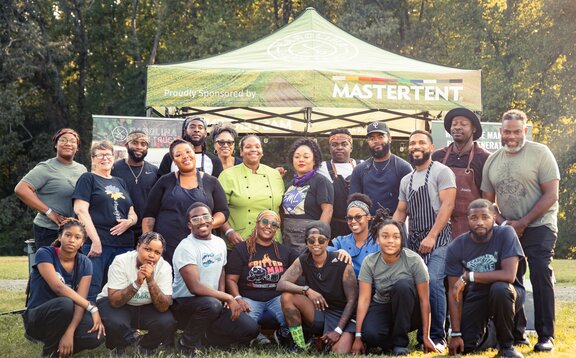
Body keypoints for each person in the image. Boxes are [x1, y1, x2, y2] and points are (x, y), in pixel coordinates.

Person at [481, 109, 560, 352]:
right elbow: (487, 203)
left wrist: (523, 223)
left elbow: (551, 194)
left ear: (524, 130)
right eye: (507, 132)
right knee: (511, 279)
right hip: (508, 229)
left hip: (539, 225)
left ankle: (546, 335)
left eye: (517, 131)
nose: (512, 136)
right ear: (500, 132)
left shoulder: (540, 153)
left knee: (539, 274)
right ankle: (518, 334)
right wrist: (506, 224)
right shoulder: (492, 160)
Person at [393, 130, 456, 349]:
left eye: (421, 142)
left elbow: (447, 206)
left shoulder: (442, 172)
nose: (416, 146)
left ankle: (438, 336)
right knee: (415, 285)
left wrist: (432, 236)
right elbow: (401, 212)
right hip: (414, 240)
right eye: (412, 143)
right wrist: (389, 233)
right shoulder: (406, 180)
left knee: (435, 281)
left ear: (431, 147)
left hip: (438, 239)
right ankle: (422, 334)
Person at [171, 203, 259, 353]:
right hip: (185, 304)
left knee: (251, 328)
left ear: (212, 220)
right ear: (189, 225)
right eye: (195, 218)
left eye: (205, 216)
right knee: (211, 305)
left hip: (212, 302)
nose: (202, 221)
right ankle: (186, 344)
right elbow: (195, 287)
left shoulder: (219, 242)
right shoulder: (186, 247)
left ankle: (206, 338)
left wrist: (222, 297)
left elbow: (221, 270)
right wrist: (228, 297)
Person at [353, 211, 440, 356]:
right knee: (371, 335)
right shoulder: (369, 262)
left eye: (396, 237)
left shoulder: (414, 260)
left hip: (409, 309)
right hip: (383, 305)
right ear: (377, 239)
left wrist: (426, 336)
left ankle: (400, 344)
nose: (390, 241)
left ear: (401, 240)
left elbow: (425, 300)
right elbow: (364, 299)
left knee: (403, 286)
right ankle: (391, 341)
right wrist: (358, 336)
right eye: (385, 236)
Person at [446, 199, 525, 358]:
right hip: (478, 295)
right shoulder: (456, 246)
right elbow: (454, 292)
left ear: (494, 218)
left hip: (509, 293)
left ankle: (506, 347)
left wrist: (470, 276)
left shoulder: (506, 234)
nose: (479, 222)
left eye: (485, 217)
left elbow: (508, 275)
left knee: (499, 289)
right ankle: (492, 333)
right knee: (465, 347)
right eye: (474, 218)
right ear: (467, 219)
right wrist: (455, 334)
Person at [23, 218, 105, 357]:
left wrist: (69, 332)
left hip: (65, 317)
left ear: (82, 243)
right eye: (68, 235)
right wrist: (92, 307)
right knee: (65, 303)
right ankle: (49, 351)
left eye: (77, 237)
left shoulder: (85, 263)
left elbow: (80, 302)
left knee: (95, 336)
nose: (72, 240)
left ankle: (60, 349)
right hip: (38, 318)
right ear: (60, 237)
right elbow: (58, 288)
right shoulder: (45, 253)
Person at [142, 138, 229, 264]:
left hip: (201, 247)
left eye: (188, 152)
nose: (185, 156)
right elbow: (149, 215)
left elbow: (223, 211)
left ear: (194, 153)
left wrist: (206, 224)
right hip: (168, 247)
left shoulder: (211, 182)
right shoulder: (164, 182)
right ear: (174, 161)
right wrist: (148, 243)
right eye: (178, 155)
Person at [277, 221, 357, 353]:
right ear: (306, 242)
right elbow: (281, 284)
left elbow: (352, 299)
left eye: (321, 240)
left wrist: (338, 330)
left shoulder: (341, 261)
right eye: (311, 240)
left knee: (339, 353)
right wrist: (307, 290)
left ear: (327, 241)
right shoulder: (303, 260)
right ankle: (299, 344)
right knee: (287, 297)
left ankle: (322, 338)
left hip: (341, 315)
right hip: (320, 310)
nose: (316, 244)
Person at [73, 140, 137, 301]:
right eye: (100, 155)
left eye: (108, 154)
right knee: (92, 289)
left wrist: (129, 222)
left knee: (120, 289)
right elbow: (80, 210)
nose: (105, 158)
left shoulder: (119, 182)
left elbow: (132, 212)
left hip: (124, 246)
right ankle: (89, 323)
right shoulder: (88, 178)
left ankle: (114, 325)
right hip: (99, 245)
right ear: (93, 159)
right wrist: (95, 241)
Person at [96, 232, 177, 355]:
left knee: (167, 322)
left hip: (145, 306)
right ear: (138, 247)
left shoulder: (164, 267)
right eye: (147, 249)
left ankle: (146, 346)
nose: (151, 255)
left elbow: (163, 306)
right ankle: (116, 345)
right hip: (118, 304)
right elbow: (114, 301)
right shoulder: (121, 261)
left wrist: (151, 281)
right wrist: (137, 283)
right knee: (116, 322)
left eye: (157, 252)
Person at [225, 210, 298, 345]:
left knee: (294, 312)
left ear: (277, 229)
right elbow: (231, 279)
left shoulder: (286, 251)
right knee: (243, 327)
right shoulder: (241, 249)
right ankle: (256, 335)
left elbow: (304, 266)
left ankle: (291, 339)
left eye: (274, 224)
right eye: (265, 221)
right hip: (249, 298)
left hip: (277, 298)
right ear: (257, 224)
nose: (269, 226)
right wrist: (237, 298)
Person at [15, 128, 87, 249]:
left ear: (77, 147)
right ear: (55, 145)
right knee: (49, 266)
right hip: (49, 230)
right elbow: (21, 189)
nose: (68, 143)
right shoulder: (45, 168)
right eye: (63, 140)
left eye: (72, 141)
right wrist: (49, 212)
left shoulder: (82, 169)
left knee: (70, 267)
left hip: (73, 230)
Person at [432, 108, 490, 238]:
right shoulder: (438, 157)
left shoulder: (484, 158)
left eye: (463, 124)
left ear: (474, 129)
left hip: (472, 228)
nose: (457, 127)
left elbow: (488, 199)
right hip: (441, 226)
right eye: (454, 124)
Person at [218, 134, 285, 246]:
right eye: (248, 147)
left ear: (262, 152)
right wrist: (229, 232)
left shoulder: (274, 175)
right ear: (241, 152)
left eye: (257, 146)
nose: (253, 149)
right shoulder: (227, 175)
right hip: (240, 241)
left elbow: (282, 209)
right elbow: (218, 210)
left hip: (273, 241)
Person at [282, 138, 334, 253]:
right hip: (287, 239)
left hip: (308, 240)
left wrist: (317, 238)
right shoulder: (289, 185)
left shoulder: (321, 181)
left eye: (306, 157)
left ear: (314, 160)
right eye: (297, 157)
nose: (301, 160)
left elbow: (328, 210)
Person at [350, 122, 412, 215]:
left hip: (395, 225)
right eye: (372, 138)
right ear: (368, 141)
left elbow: (410, 204)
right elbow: (354, 203)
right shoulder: (359, 170)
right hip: (367, 225)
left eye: (380, 137)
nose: (376, 141)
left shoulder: (403, 168)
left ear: (390, 138)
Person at [111, 131, 158, 242]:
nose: (139, 147)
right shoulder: (114, 168)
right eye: (135, 143)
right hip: (119, 228)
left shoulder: (154, 171)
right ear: (126, 145)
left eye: (143, 144)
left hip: (145, 230)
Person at [317, 128, 359, 238]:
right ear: (329, 148)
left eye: (344, 144)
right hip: (334, 228)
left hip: (359, 226)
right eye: (334, 144)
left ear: (351, 147)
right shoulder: (320, 167)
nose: (339, 147)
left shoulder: (363, 166)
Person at [326, 193, 379, 278]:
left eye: (358, 217)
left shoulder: (378, 242)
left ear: (368, 217)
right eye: (349, 218)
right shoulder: (341, 241)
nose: (353, 221)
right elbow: (322, 248)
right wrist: (336, 252)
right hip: (345, 287)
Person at [157, 116, 223, 177]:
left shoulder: (214, 161)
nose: (196, 130)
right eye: (192, 127)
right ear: (185, 131)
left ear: (205, 133)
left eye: (200, 127)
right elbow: (161, 186)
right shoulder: (170, 157)